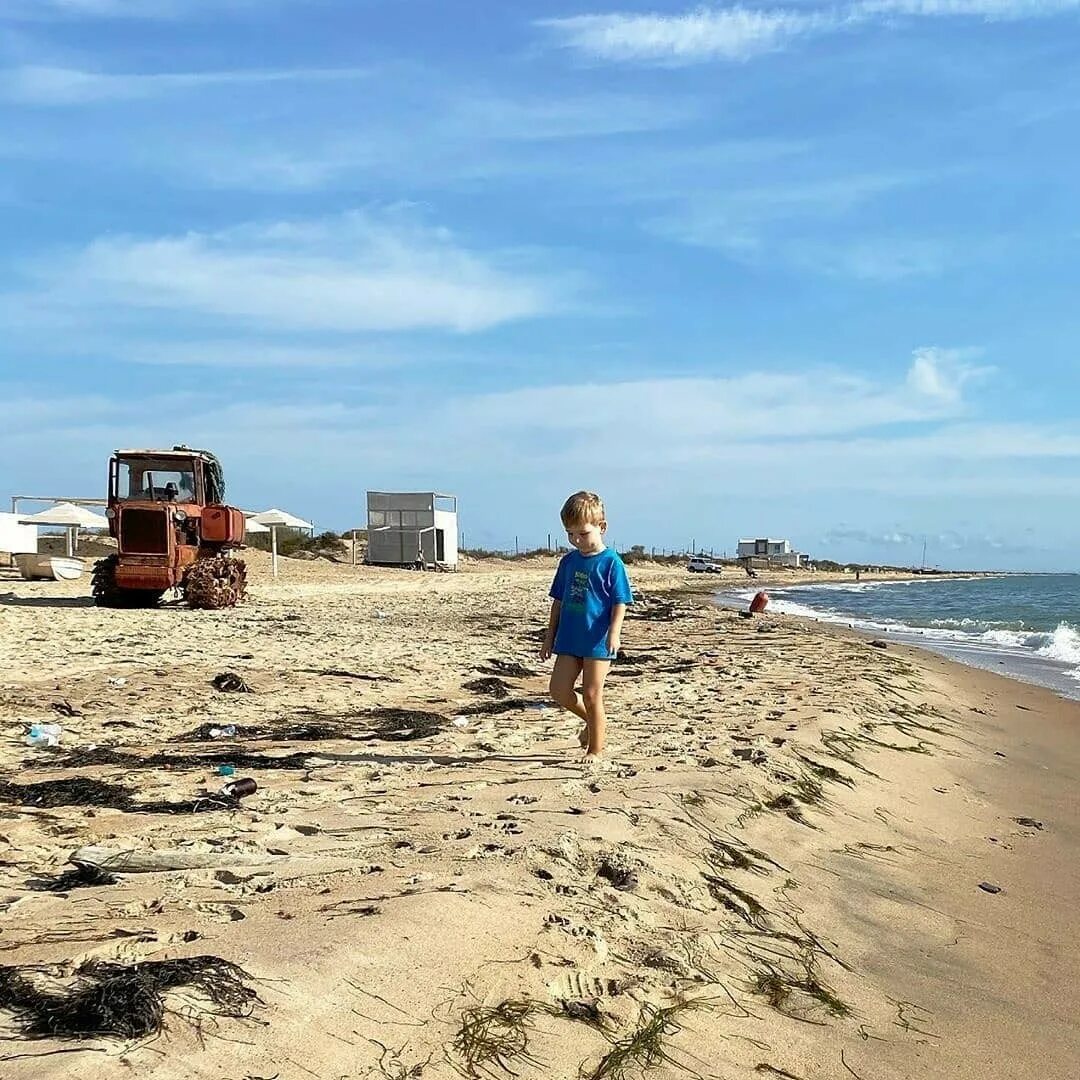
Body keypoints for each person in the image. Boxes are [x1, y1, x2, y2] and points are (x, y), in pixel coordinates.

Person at [540, 491, 633, 759]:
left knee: (592, 695)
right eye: (570, 534)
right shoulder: (568, 562)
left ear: (601, 527)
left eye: (583, 533)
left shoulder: (611, 562)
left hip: (598, 640)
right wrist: (549, 637)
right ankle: (593, 724)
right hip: (569, 638)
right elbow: (558, 601)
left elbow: (620, 601)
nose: (576, 540)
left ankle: (595, 749)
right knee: (558, 691)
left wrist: (614, 633)